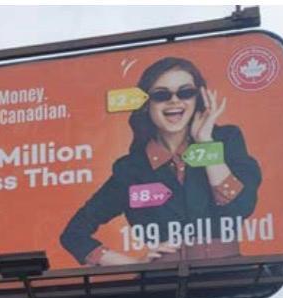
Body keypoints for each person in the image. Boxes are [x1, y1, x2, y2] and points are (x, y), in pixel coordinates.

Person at [60, 57, 262, 266]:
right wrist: (134, 266)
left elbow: (241, 207)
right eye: (161, 95)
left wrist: (205, 142)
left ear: (199, 98)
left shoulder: (225, 140)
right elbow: (73, 234)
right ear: (146, 105)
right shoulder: (131, 169)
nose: (174, 101)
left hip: (228, 274)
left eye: (186, 92)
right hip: (164, 279)